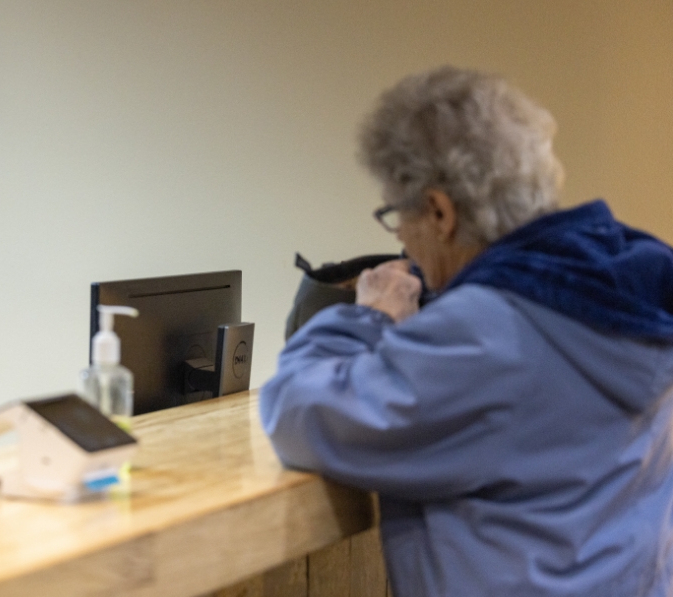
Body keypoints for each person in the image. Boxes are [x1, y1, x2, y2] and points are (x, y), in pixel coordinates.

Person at [259, 66, 673, 597]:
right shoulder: (628, 289)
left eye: (394, 215)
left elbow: (297, 413)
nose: (401, 239)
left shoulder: (490, 332)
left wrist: (371, 314)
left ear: (439, 211)